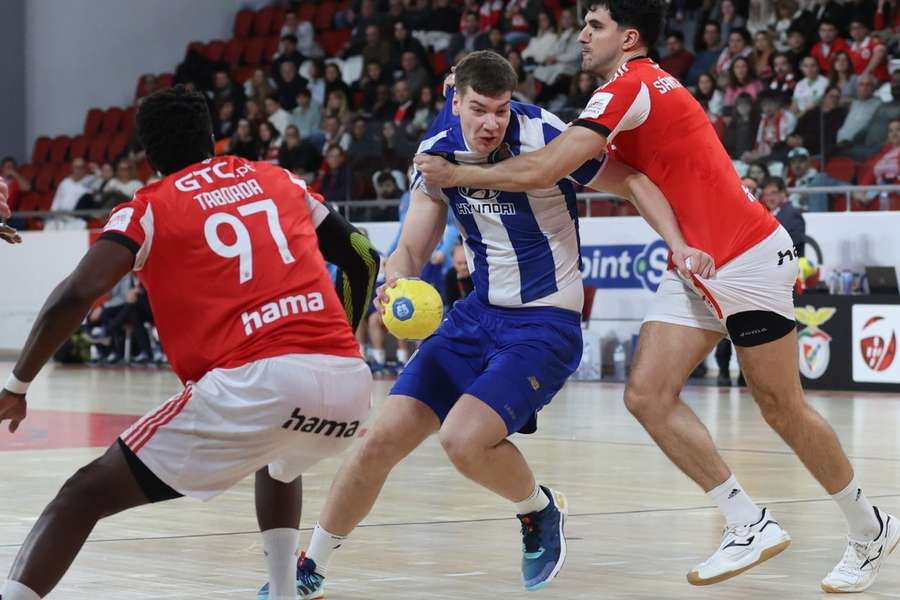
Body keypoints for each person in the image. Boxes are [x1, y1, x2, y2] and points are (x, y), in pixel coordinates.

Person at [415, 2, 897, 592]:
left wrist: (457, 176)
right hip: (696, 260)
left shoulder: (630, 86)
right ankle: (747, 521)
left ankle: (869, 527)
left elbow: (546, 169)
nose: (582, 36)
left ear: (629, 36)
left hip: (745, 253)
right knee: (646, 394)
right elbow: (623, 177)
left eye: (595, 27)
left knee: (781, 407)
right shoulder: (628, 92)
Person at [289, 50, 715, 599]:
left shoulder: (546, 133)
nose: (492, 122)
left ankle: (538, 511)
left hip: (545, 325)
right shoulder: (435, 151)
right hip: (476, 317)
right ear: (454, 98)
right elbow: (412, 246)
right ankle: (309, 568)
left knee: (462, 440)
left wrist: (678, 244)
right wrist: (397, 280)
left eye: (501, 109)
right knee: (377, 440)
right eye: (479, 109)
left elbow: (631, 181)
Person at [0, 85, 381, 600]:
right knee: (278, 455)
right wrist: (339, 345)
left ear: (146, 156)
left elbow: (77, 293)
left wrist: (18, 383)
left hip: (255, 384)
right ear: (212, 138)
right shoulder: (280, 179)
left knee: (81, 495)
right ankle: (285, 592)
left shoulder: (148, 207)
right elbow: (361, 253)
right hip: (349, 390)